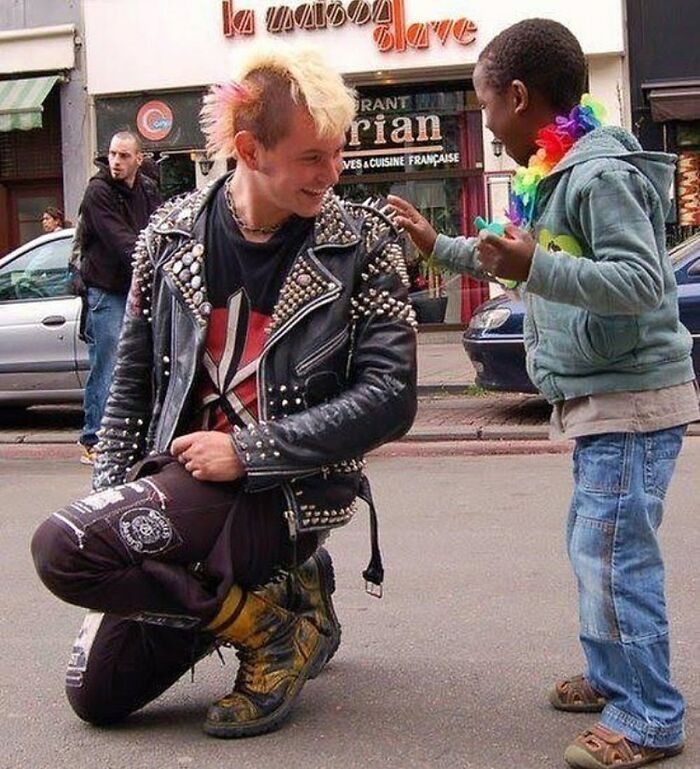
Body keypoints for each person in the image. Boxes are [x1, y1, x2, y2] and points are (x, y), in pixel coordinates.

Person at [31, 46, 417, 739]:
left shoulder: (364, 241)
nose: (332, 174)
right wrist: (113, 517)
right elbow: (129, 392)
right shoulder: (167, 235)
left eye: (338, 153)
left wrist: (250, 449)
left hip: (290, 493)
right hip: (179, 489)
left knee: (60, 547)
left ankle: (277, 620)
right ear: (249, 148)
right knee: (97, 691)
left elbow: (392, 396)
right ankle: (275, 609)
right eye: (311, 157)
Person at [390, 18, 696, 769]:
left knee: (614, 554)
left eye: (487, 106)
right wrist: (439, 247)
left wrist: (535, 269)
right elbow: (514, 255)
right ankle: (611, 675)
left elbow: (641, 283)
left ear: (519, 96)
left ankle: (651, 714)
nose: (488, 127)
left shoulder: (600, 175)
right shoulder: (556, 172)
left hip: (631, 397)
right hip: (600, 395)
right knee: (592, 545)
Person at [76, 132, 162, 465]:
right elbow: (120, 239)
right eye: (112, 154)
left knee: (143, 362)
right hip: (106, 290)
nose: (116, 161)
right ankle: (94, 438)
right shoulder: (98, 191)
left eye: (124, 155)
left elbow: (159, 227)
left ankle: (135, 437)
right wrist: (154, 259)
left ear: (138, 159)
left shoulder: (147, 190)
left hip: (136, 287)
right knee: (109, 362)